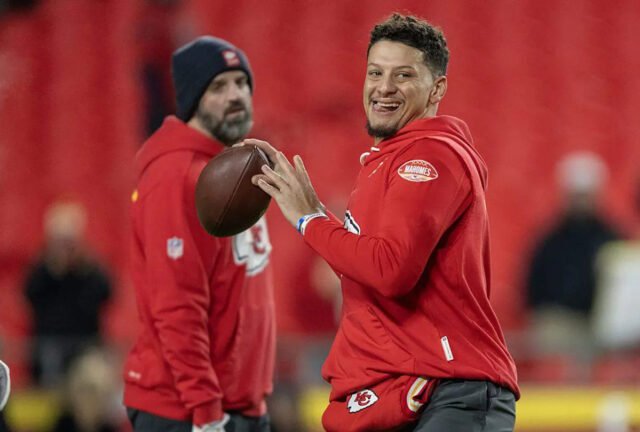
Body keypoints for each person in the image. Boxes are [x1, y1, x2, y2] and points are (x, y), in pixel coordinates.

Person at [249, 14, 519, 432]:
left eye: (403, 75)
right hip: (406, 386)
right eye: (375, 72)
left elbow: (390, 270)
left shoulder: (427, 156)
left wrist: (310, 220)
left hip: (448, 389)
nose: (384, 87)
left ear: (437, 89)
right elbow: (372, 267)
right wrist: (316, 216)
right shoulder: (389, 161)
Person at [123, 36, 275, 432]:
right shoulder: (175, 175)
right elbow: (177, 303)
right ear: (193, 99)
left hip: (239, 404)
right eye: (219, 87)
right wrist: (206, 410)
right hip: (187, 411)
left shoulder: (232, 169)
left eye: (241, 83)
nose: (236, 95)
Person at [526, 151, 620, 361]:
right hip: (560, 319)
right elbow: (534, 286)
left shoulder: (611, 237)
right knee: (550, 336)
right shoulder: (549, 240)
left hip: (600, 322)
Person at [24, 201, 112, 387]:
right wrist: (52, 269)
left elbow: (106, 294)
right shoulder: (40, 271)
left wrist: (83, 267)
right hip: (47, 353)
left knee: (96, 379)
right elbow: (29, 295)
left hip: (85, 350)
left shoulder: (90, 271)